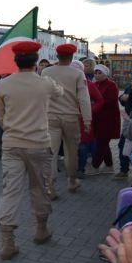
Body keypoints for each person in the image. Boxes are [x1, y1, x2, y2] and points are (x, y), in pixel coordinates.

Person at [0, 41, 63, 260]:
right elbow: (59, 93)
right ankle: (41, 230)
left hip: (12, 144)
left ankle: (8, 242)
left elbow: (0, 115)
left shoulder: (4, 84)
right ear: (36, 61)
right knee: (39, 188)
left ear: (15, 60)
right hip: (39, 144)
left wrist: (12, 130)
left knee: (10, 190)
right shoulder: (45, 83)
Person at [41, 44, 92, 199]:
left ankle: (50, 187)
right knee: (71, 152)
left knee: (51, 152)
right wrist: (87, 119)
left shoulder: (46, 71)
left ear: (57, 56)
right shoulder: (78, 73)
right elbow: (84, 98)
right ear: (71, 57)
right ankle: (71, 181)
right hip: (71, 117)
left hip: (50, 116)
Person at [92, 64, 122, 176]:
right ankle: (109, 165)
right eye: (96, 72)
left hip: (108, 118)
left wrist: (96, 102)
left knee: (101, 142)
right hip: (97, 118)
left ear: (106, 74)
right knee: (103, 142)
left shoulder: (111, 85)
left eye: (100, 73)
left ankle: (95, 166)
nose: (97, 75)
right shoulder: (94, 84)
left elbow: (110, 100)